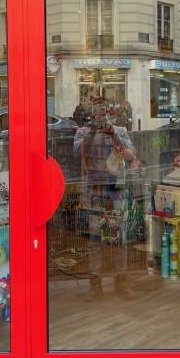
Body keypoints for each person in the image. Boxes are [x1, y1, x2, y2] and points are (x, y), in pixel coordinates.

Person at [73, 97, 136, 301]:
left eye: (104, 110)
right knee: (94, 239)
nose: (100, 115)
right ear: (91, 114)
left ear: (110, 113)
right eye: (97, 111)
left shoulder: (119, 131)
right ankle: (95, 283)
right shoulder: (83, 132)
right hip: (94, 190)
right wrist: (92, 132)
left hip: (115, 189)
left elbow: (131, 155)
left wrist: (114, 136)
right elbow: (78, 153)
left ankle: (121, 281)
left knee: (119, 237)